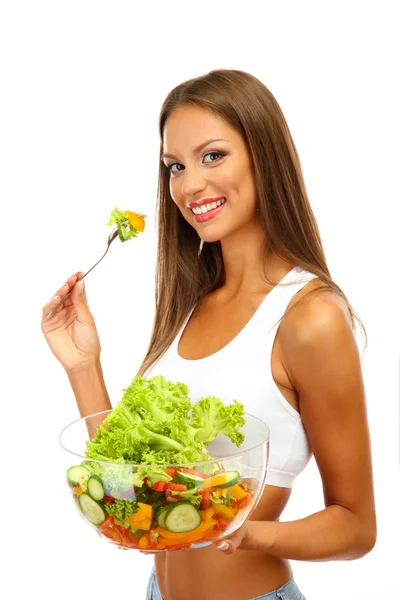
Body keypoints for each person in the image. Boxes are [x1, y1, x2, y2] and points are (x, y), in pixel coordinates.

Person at [41, 69, 376, 600]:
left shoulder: (310, 318)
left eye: (212, 156)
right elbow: (133, 482)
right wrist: (84, 365)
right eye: (175, 166)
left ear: (264, 156)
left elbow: (357, 528)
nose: (189, 183)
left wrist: (239, 532)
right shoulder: (190, 303)